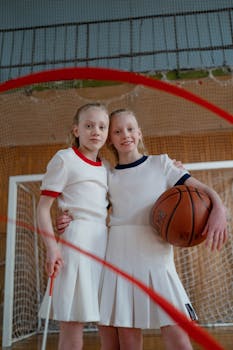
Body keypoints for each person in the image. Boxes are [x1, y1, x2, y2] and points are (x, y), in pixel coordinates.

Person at [57, 108, 227, 350]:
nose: (124, 135)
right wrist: (65, 218)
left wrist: (219, 209)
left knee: (177, 332)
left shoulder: (163, 164)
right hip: (118, 258)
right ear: (110, 139)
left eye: (129, 129)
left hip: (157, 258)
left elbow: (201, 190)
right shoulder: (108, 174)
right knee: (128, 338)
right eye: (117, 131)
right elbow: (88, 209)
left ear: (139, 133)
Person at [37, 103, 110, 350]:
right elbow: (43, 207)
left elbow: (105, 205)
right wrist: (51, 248)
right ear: (76, 130)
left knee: (110, 322)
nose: (96, 131)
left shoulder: (107, 168)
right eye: (88, 126)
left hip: (104, 244)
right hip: (76, 243)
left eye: (102, 126)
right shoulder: (64, 159)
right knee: (72, 323)